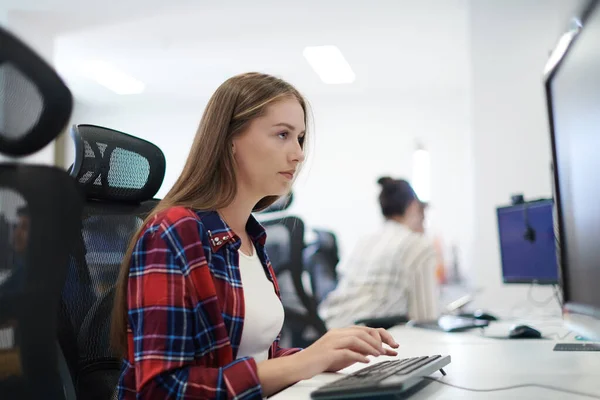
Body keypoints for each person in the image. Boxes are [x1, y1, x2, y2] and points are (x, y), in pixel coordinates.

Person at [110, 72, 399, 399]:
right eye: (282, 135)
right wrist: (308, 361)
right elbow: (162, 389)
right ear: (230, 138)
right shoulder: (175, 231)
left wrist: (325, 354)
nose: (298, 153)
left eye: (300, 138)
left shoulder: (250, 237)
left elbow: (254, 359)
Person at [318, 177, 439, 329]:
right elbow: (425, 318)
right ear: (413, 207)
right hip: (364, 335)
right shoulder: (418, 244)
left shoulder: (365, 240)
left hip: (330, 327)